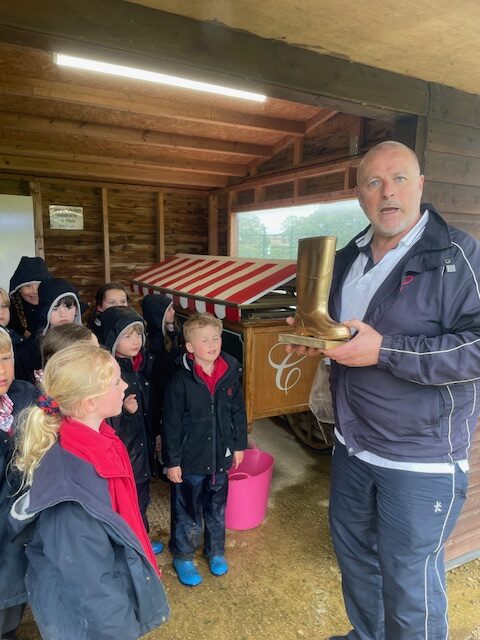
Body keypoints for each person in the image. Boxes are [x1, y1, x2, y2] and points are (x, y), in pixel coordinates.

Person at [287, 140, 480, 640]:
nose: (386, 192)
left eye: (399, 179)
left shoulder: (459, 256)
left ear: (421, 186)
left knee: (409, 580)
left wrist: (387, 350)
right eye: (373, 181)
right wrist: (319, 338)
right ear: (359, 193)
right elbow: (343, 332)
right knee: (357, 560)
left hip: (420, 457)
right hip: (353, 445)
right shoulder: (349, 257)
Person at [9, 342, 170, 640]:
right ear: (89, 403)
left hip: (114, 580)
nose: (124, 385)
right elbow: (91, 585)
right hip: (95, 623)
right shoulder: (70, 494)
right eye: (115, 382)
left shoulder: (101, 438)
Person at [163, 312, 247, 586]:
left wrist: (238, 445)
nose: (212, 344)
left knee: (216, 507)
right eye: (204, 340)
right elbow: (172, 424)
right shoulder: (180, 381)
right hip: (190, 460)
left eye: (216, 338)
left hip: (220, 455)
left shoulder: (230, 371)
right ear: (189, 347)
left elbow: (237, 410)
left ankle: (215, 551)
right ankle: (184, 555)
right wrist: (172, 461)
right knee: (187, 509)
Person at [100, 305, 163, 555]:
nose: (136, 340)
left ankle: (142, 540)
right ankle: (130, 547)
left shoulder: (141, 367)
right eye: (127, 335)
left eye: (138, 334)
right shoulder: (110, 375)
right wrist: (124, 411)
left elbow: (152, 408)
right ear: (113, 339)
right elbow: (103, 424)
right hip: (125, 455)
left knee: (142, 500)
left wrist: (156, 435)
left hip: (142, 452)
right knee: (126, 503)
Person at [0, 328, 37, 640]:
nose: (2, 370)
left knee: (12, 601)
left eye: (7, 358)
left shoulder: (27, 396)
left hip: (20, 523)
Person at [141, 294, 184, 471]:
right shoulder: (155, 342)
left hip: (172, 386)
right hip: (162, 389)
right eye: (169, 310)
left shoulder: (172, 333)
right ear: (158, 314)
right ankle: (162, 465)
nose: (174, 312)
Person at [14, 277, 84, 384]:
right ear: (44, 311)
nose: (63, 314)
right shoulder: (30, 350)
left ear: (76, 309)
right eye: (54, 309)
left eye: (68, 307)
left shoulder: (87, 340)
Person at [8, 256, 51, 339]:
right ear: (18, 289)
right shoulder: (9, 312)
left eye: (39, 285)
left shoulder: (55, 307)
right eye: (28, 286)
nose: (35, 291)